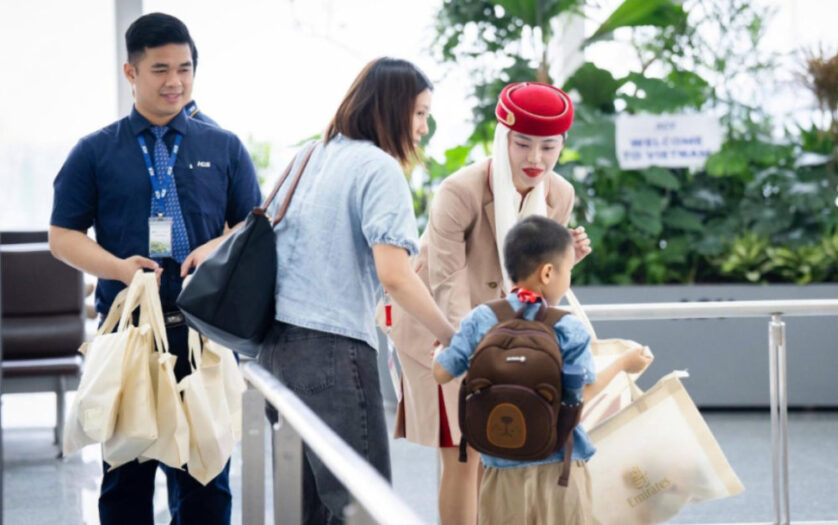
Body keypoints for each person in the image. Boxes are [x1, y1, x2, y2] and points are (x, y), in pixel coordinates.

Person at [48, 12, 261, 525]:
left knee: (206, 482)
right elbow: (62, 237)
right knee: (125, 481)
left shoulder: (224, 146)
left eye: (185, 69)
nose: (175, 82)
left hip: (203, 335)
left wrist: (214, 247)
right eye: (161, 69)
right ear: (131, 73)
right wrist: (120, 269)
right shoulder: (96, 151)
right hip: (128, 336)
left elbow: (252, 226)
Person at [256, 57, 457, 524]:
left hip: (277, 350)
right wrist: (450, 334)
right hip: (332, 352)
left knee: (310, 510)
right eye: (420, 113)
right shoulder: (379, 168)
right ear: (390, 110)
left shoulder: (310, 155)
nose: (424, 128)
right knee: (363, 506)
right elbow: (395, 276)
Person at [385, 81, 592, 524]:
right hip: (440, 330)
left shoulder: (560, 194)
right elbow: (447, 281)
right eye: (522, 144)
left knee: (503, 447)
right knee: (464, 453)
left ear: (562, 145)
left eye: (548, 147)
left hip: (510, 333)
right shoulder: (459, 191)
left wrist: (567, 258)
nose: (535, 159)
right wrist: (473, 347)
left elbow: (539, 279)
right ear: (503, 137)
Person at [433, 216, 652, 525]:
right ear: (548, 272)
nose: (568, 279)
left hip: (499, 470)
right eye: (569, 270)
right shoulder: (567, 327)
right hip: (560, 469)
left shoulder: (481, 318)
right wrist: (623, 364)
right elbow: (580, 395)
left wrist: (442, 351)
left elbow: (441, 373)